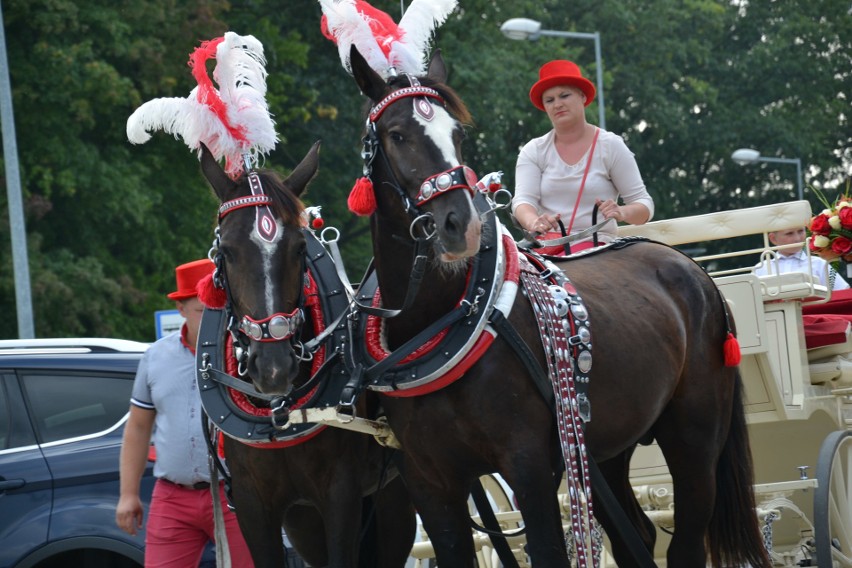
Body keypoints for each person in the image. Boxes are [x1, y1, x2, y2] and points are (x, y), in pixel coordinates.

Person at [116, 259, 254, 567]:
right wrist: (128, 494)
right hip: (173, 496)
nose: (212, 320)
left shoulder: (244, 355)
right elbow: (138, 428)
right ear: (181, 309)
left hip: (236, 493)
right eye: (203, 311)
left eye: (219, 310)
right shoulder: (155, 357)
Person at [512, 59, 655, 253]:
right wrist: (533, 221)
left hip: (598, 251)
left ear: (582, 96)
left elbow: (644, 205)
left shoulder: (610, 145)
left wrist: (621, 212)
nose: (557, 104)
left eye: (564, 95)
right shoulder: (533, 150)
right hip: (548, 251)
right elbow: (522, 201)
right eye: (550, 100)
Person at [753, 227, 850, 290]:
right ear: (773, 238)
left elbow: (843, 292)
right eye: (789, 233)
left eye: (801, 231)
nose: (797, 238)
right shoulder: (761, 268)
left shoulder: (819, 264)